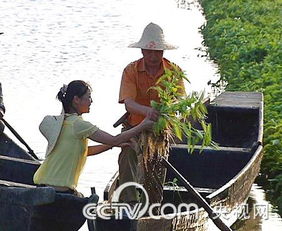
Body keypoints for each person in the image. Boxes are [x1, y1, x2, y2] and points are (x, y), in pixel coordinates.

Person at [33, 80, 154, 196]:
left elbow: (84, 151)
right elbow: (114, 139)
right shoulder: (78, 125)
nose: (91, 101)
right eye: (89, 97)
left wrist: (112, 145)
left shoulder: (64, 122)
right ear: (76, 100)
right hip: (59, 191)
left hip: (42, 185)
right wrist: (143, 125)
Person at [118, 22, 186, 209]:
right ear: (142, 52)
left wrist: (166, 108)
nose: (153, 56)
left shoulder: (174, 72)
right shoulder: (131, 70)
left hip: (159, 130)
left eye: (158, 52)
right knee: (127, 155)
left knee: (156, 166)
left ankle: (153, 208)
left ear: (163, 52)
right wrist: (147, 111)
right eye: (150, 52)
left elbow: (180, 100)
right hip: (134, 127)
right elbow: (129, 104)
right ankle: (129, 204)